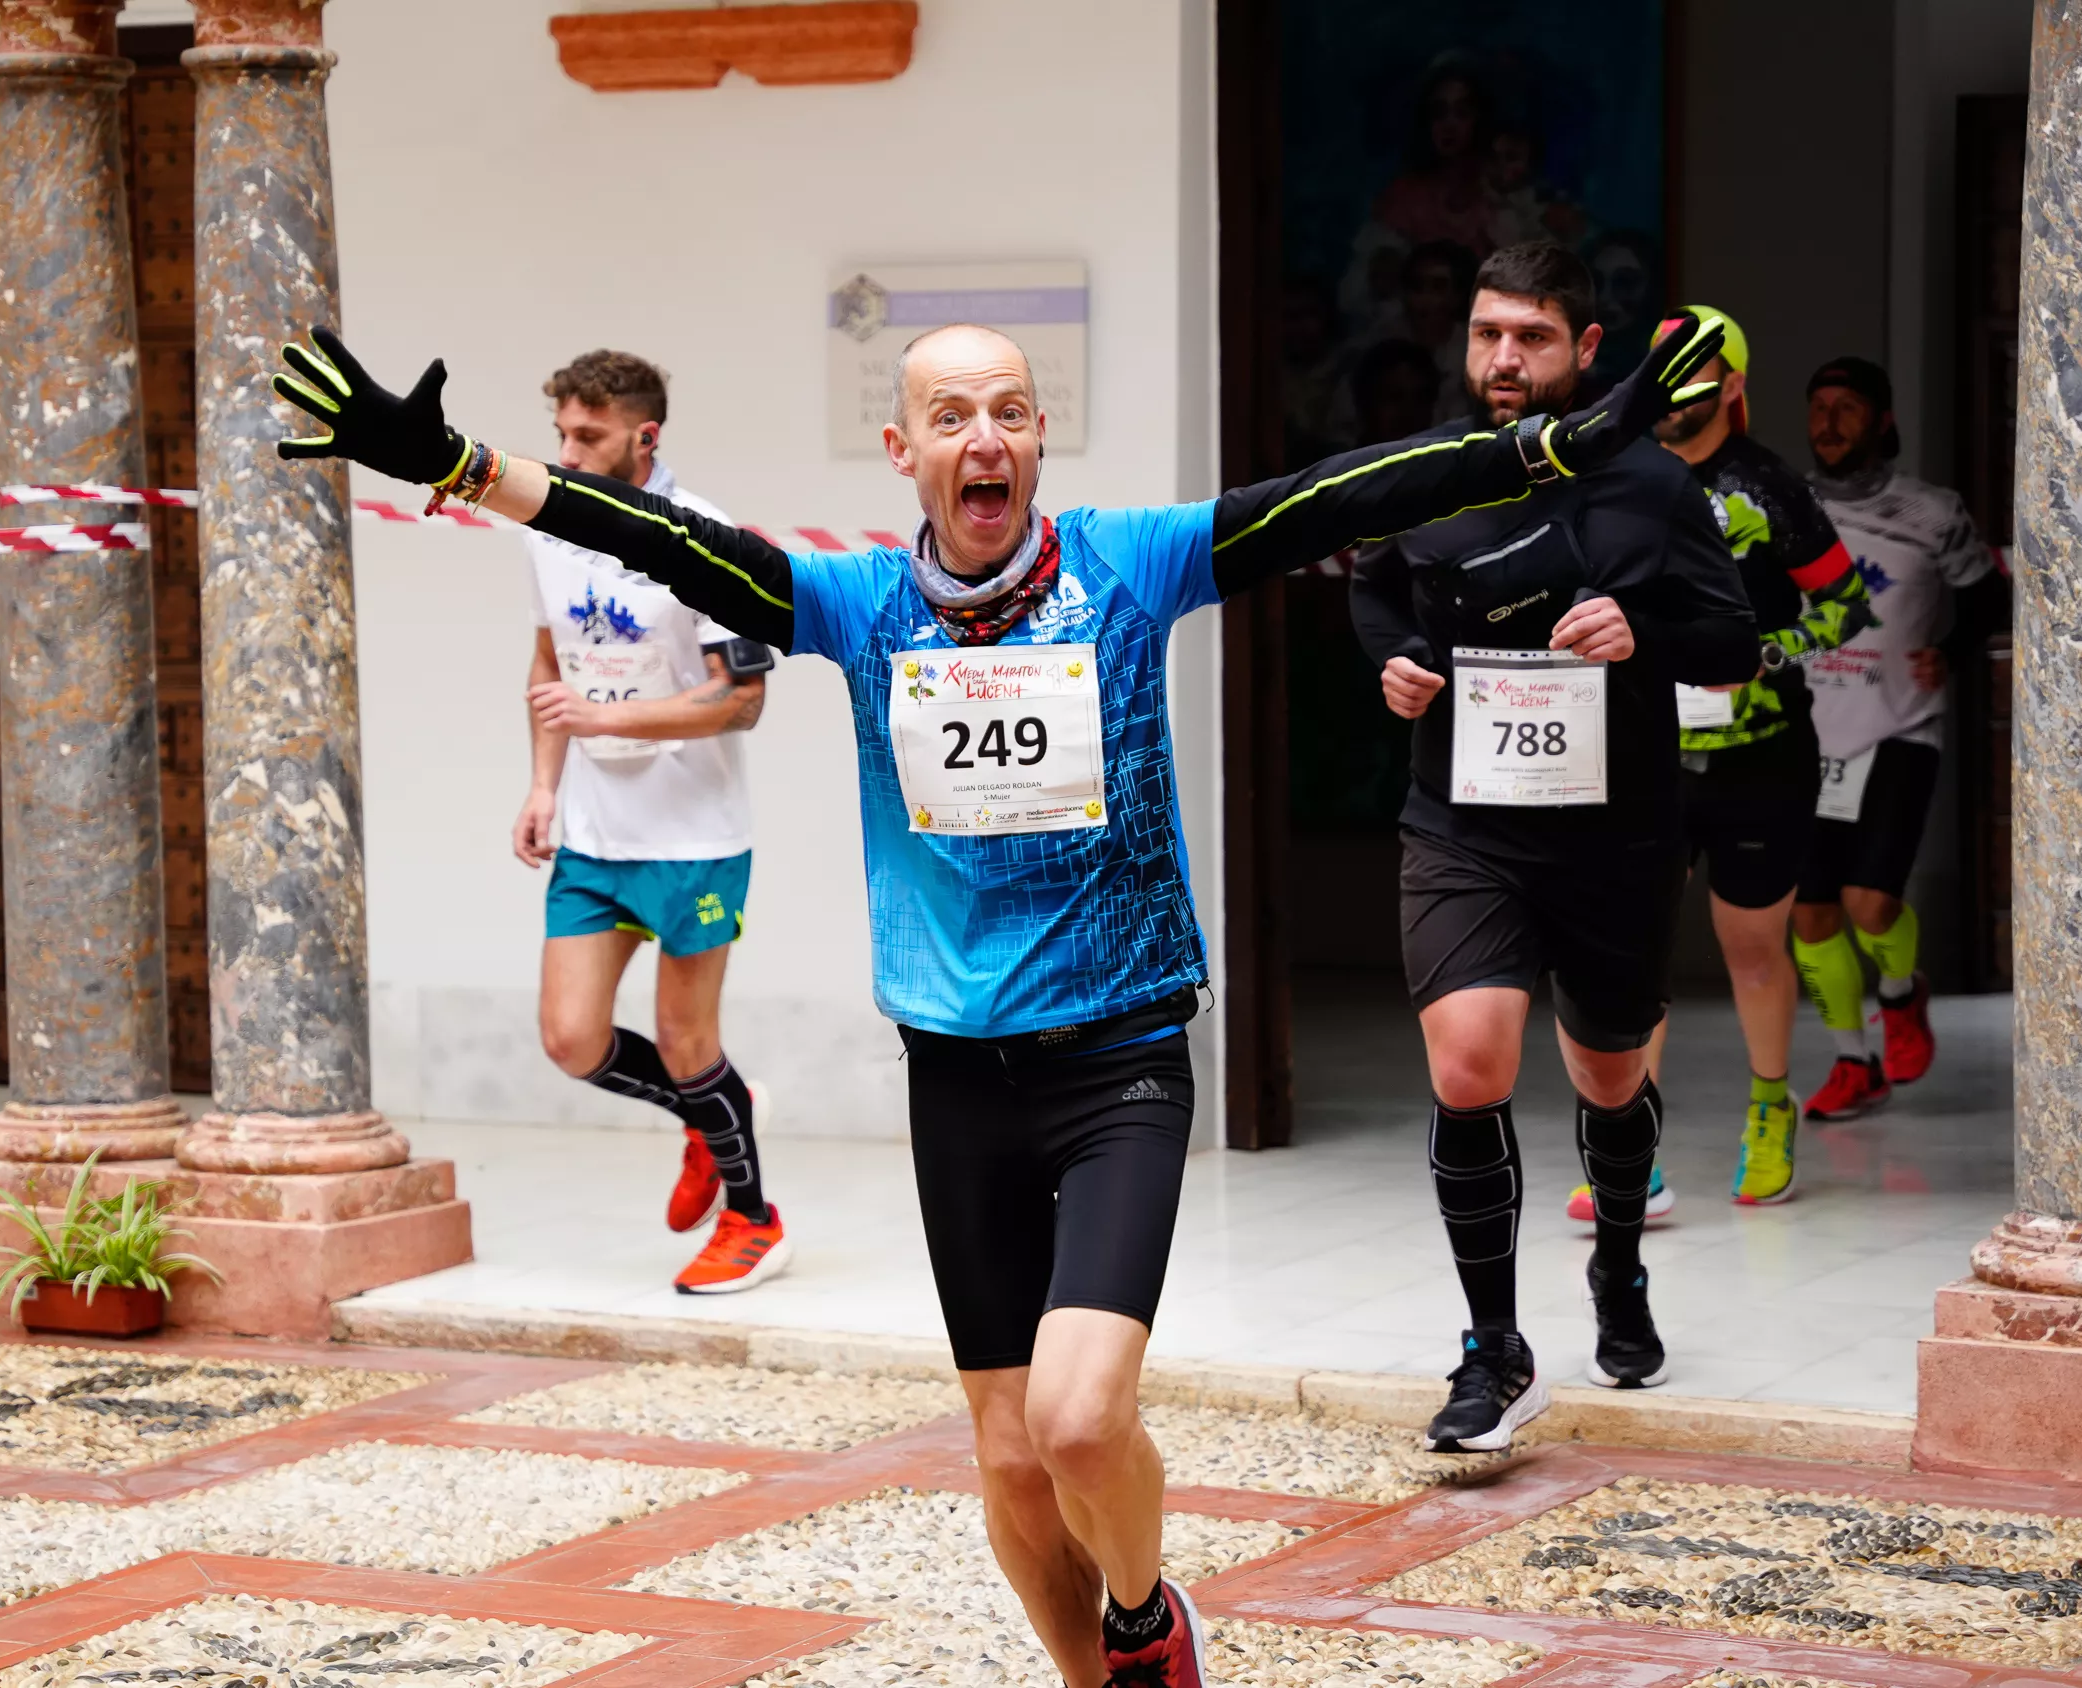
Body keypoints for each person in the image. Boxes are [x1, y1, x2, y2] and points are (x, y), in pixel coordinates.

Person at [273, 305, 1725, 1688]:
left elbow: (1334, 497)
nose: (987, 435)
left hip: (1124, 1057)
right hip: (958, 1076)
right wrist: (464, 470)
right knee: (1012, 1456)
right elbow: (660, 534)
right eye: (951, 414)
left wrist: (1547, 450)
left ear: (1040, 440)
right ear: (903, 452)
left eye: (1011, 412)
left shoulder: (1129, 566)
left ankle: (1152, 1617)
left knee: (1081, 1418)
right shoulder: (850, 603)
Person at [1350, 243, 1756, 1444]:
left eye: (1530, 335)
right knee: (1469, 1061)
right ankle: (1494, 1346)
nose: (1503, 358)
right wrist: (1392, 662)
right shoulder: (1430, 475)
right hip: (1464, 825)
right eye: (1485, 334)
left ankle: (1618, 1266)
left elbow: (1733, 639)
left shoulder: (1651, 483)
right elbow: (1371, 591)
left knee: (1608, 1075)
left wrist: (1643, 626)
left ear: (1586, 349)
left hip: (1619, 835)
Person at [509, 350, 787, 1295]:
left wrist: (607, 720)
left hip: (695, 838)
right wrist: (545, 784)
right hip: (593, 833)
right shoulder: (546, 529)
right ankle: (716, 1114)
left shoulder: (703, 534)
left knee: (684, 1042)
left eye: (588, 436)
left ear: (645, 436)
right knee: (571, 1039)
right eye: (561, 435)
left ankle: (754, 1220)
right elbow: (549, 669)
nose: (569, 453)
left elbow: (740, 700)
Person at [1615, 307, 1870, 1211]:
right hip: (1646, 749)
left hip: (1762, 753)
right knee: (1635, 949)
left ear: (1731, 388)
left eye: (1693, 375)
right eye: (1661, 371)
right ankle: (1627, 1146)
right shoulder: (1622, 473)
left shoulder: (1772, 488)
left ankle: (1771, 1107)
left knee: (1753, 948)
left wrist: (1760, 655)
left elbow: (1845, 604)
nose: (1671, 395)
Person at [1794, 356, 1999, 1118]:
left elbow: (1984, 600)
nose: (1829, 422)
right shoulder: (1786, 505)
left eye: (1848, 408)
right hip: (1804, 734)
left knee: (1869, 904)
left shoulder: (1933, 512)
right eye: (1819, 407)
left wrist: (1949, 652)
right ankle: (1855, 1064)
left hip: (1900, 728)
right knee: (1810, 915)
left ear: (1881, 420)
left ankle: (1900, 993)